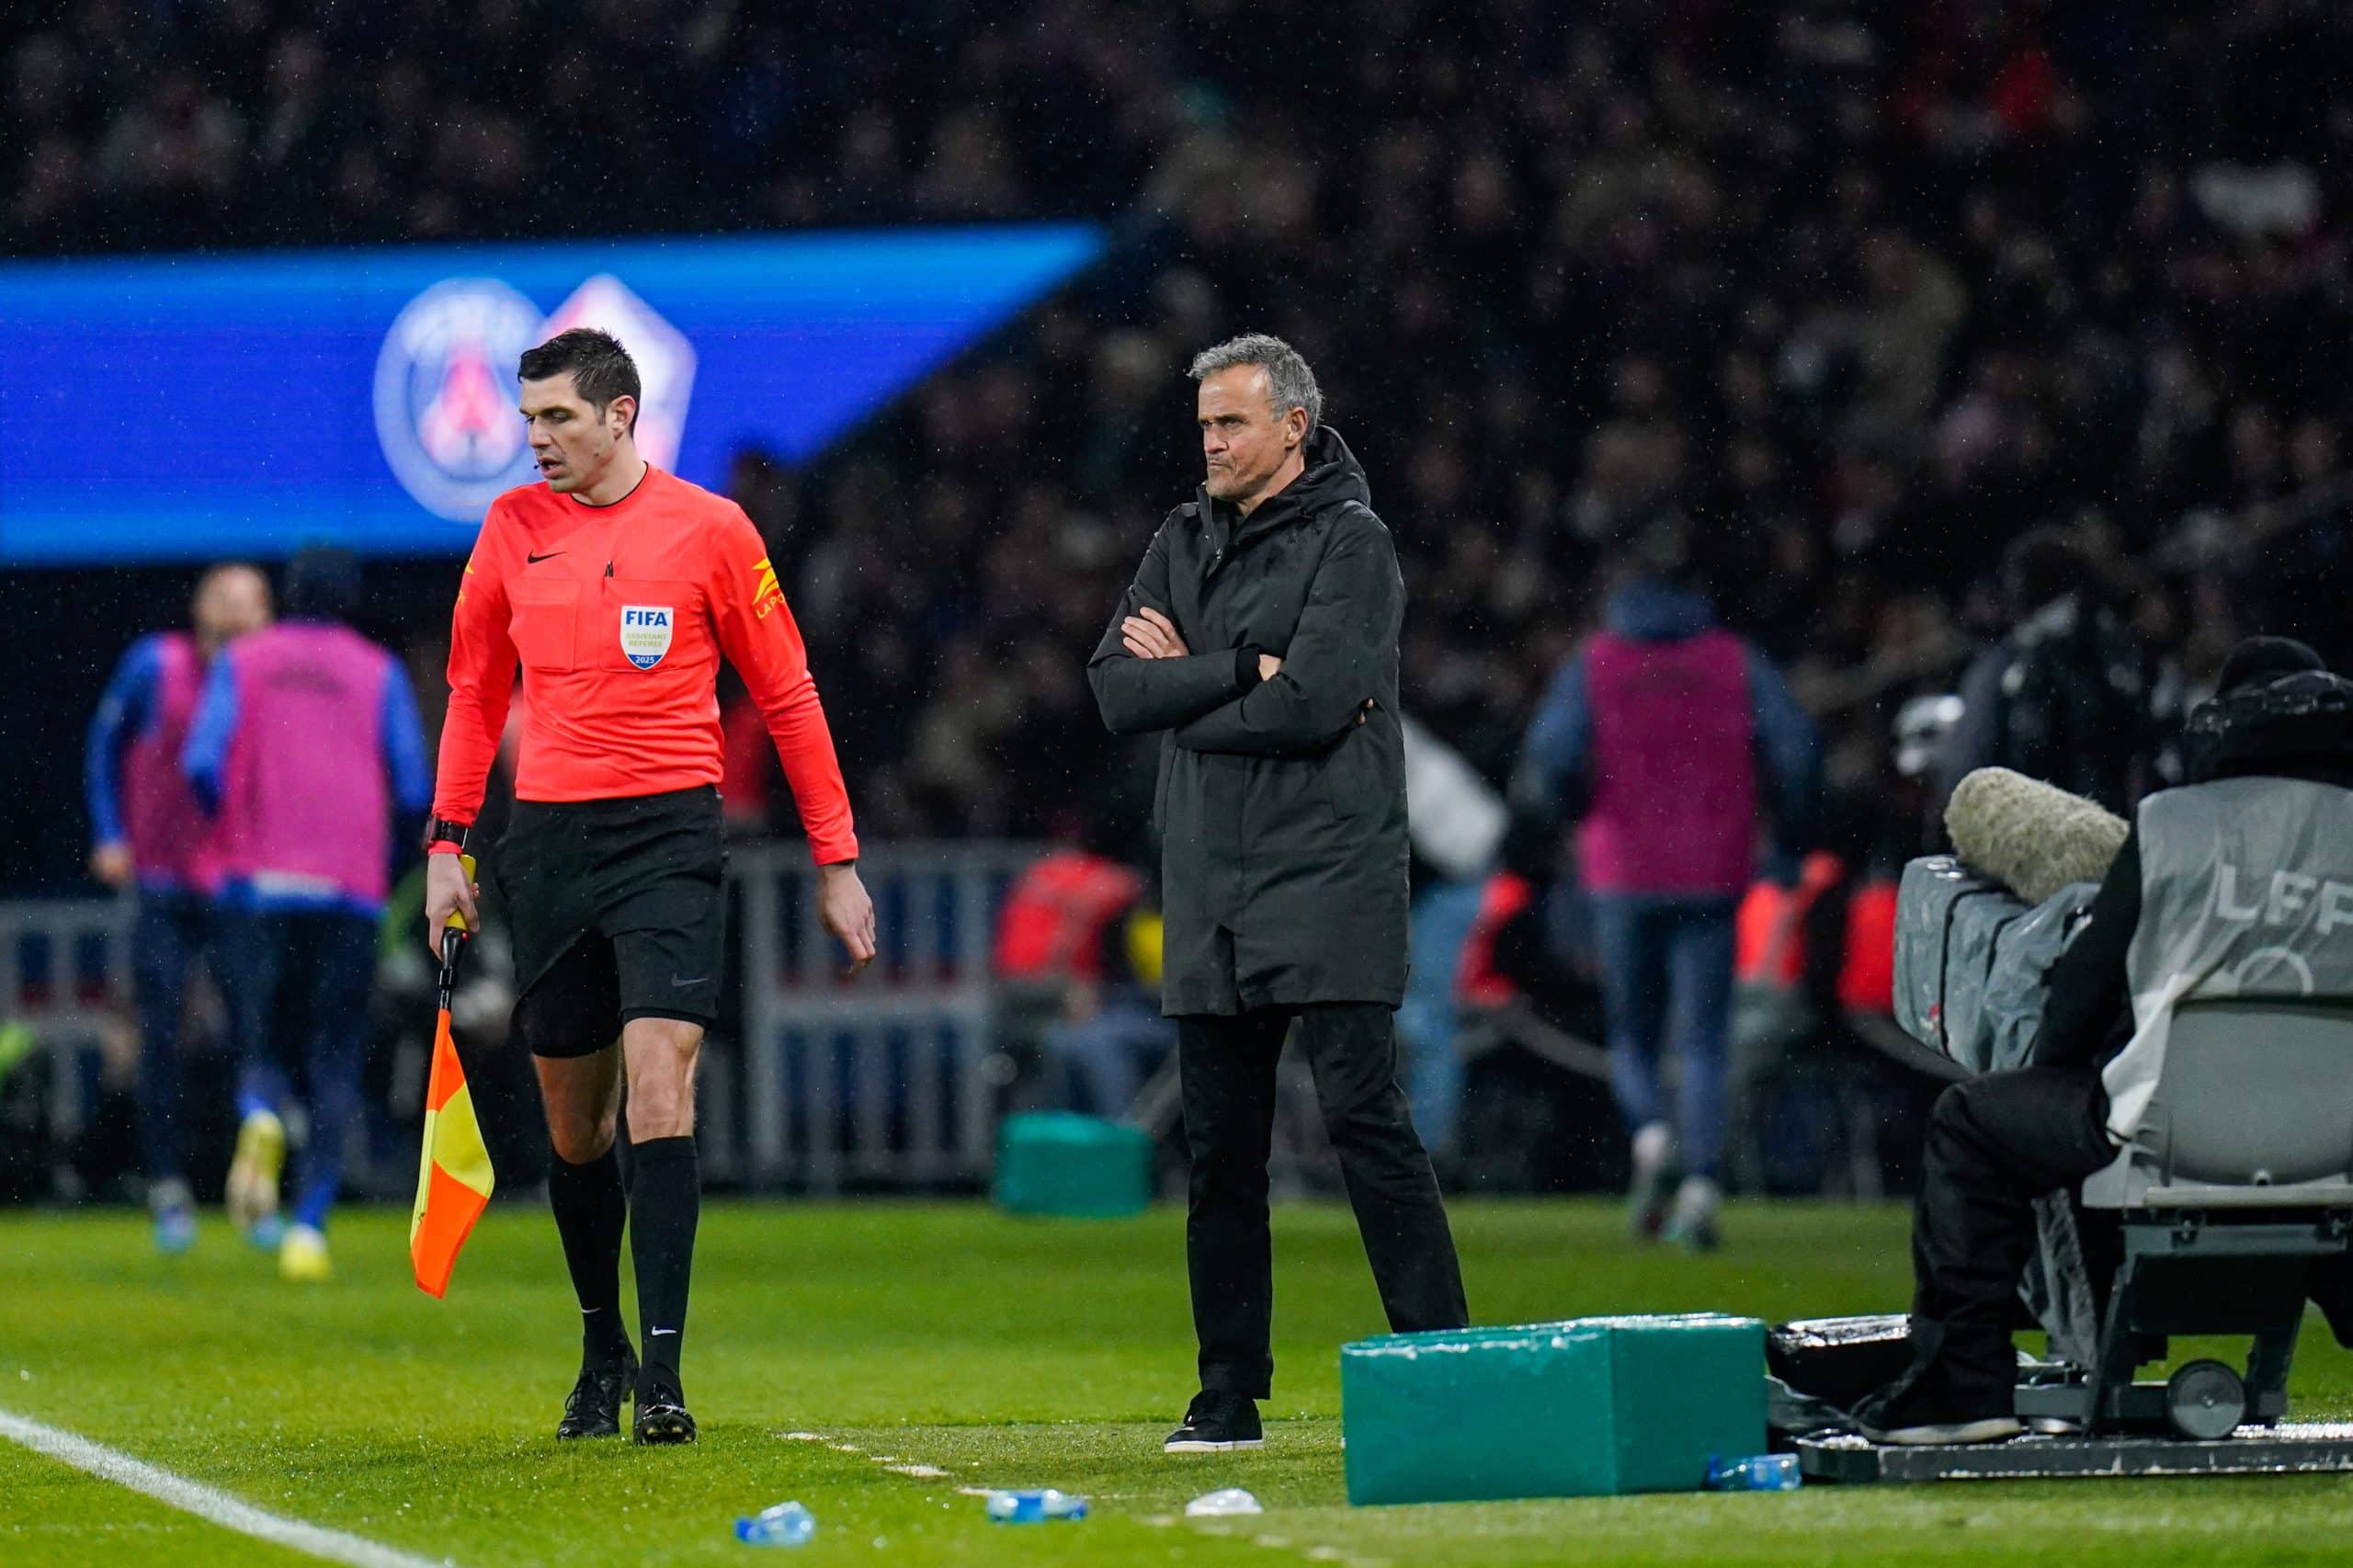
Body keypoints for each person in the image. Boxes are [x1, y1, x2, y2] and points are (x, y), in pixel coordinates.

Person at [425, 327, 876, 1447]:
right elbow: (476, 692)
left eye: (558, 419)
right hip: (549, 846)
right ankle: (599, 1348)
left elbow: (790, 691)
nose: (536, 440)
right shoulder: (509, 530)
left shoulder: (712, 531)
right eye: (529, 420)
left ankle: (665, 1376)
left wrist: (838, 857)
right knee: (576, 1128)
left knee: (661, 1087)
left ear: (621, 415)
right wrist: (449, 846)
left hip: (671, 831)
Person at [1089, 333, 1468, 1455]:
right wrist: (1233, 669)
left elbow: (1313, 704)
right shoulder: (1180, 534)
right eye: (1203, 423)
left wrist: (1186, 688)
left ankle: (1442, 1361)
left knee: (1363, 1118)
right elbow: (1114, 690)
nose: (1208, 441)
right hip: (1211, 875)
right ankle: (1226, 1393)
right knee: (1220, 1149)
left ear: (1291, 427)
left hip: (1330, 869)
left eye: (1230, 423)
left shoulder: (1355, 544)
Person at [1859, 637, 2353, 1444]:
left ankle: (1964, 1390)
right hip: (2340, 1144)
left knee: (1970, 1122)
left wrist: (2051, 1074)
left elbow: (2080, 999)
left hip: (2169, 1132)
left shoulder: (2174, 829)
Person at [1513, 516, 1820, 1250]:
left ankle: (1652, 1141)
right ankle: (1704, 1186)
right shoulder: (1734, 660)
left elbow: (1547, 761)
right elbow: (1798, 752)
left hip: (1620, 868)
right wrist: (1788, 834)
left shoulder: (1596, 663)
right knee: (1707, 1037)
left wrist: (1573, 813)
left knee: (1634, 1033)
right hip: (1714, 868)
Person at [183, 548, 429, 1280]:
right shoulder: (378, 671)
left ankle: (260, 1111)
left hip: (260, 884)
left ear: (287, 595)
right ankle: (309, 1226)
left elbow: (201, 761)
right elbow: (415, 781)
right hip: (348, 889)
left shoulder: (245, 660)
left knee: (261, 1037)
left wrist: (230, 823)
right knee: (334, 1052)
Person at [84, 563, 272, 1252]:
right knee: (159, 1036)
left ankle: (250, 1186)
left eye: (249, 602)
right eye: (222, 597)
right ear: (197, 607)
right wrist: (109, 833)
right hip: (162, 881)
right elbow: (102, 746)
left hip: (234, 883)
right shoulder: (153, 665)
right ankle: (167, 1188)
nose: (233, 612)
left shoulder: (265, 679)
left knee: (249, 1036)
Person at [1937, 528, 2175, 815]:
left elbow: (1967, 771)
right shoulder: (2127, 650)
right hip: (2115, 831)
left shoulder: (2005, 666)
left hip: (2037, 834)